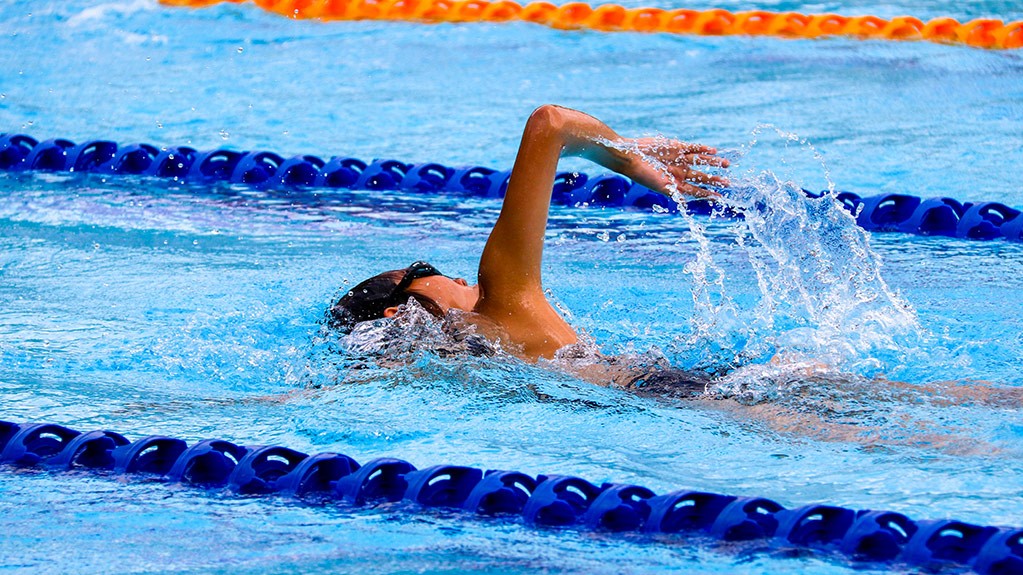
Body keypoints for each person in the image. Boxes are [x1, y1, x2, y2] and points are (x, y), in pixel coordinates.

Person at [328, 105, 730, 396]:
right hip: (691, 392)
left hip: (672, 397)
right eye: (424, 269)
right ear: (399, 312)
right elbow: (550, 123)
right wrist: (630, 159)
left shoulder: (469, 374)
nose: (460, 278)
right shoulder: (500, 298)